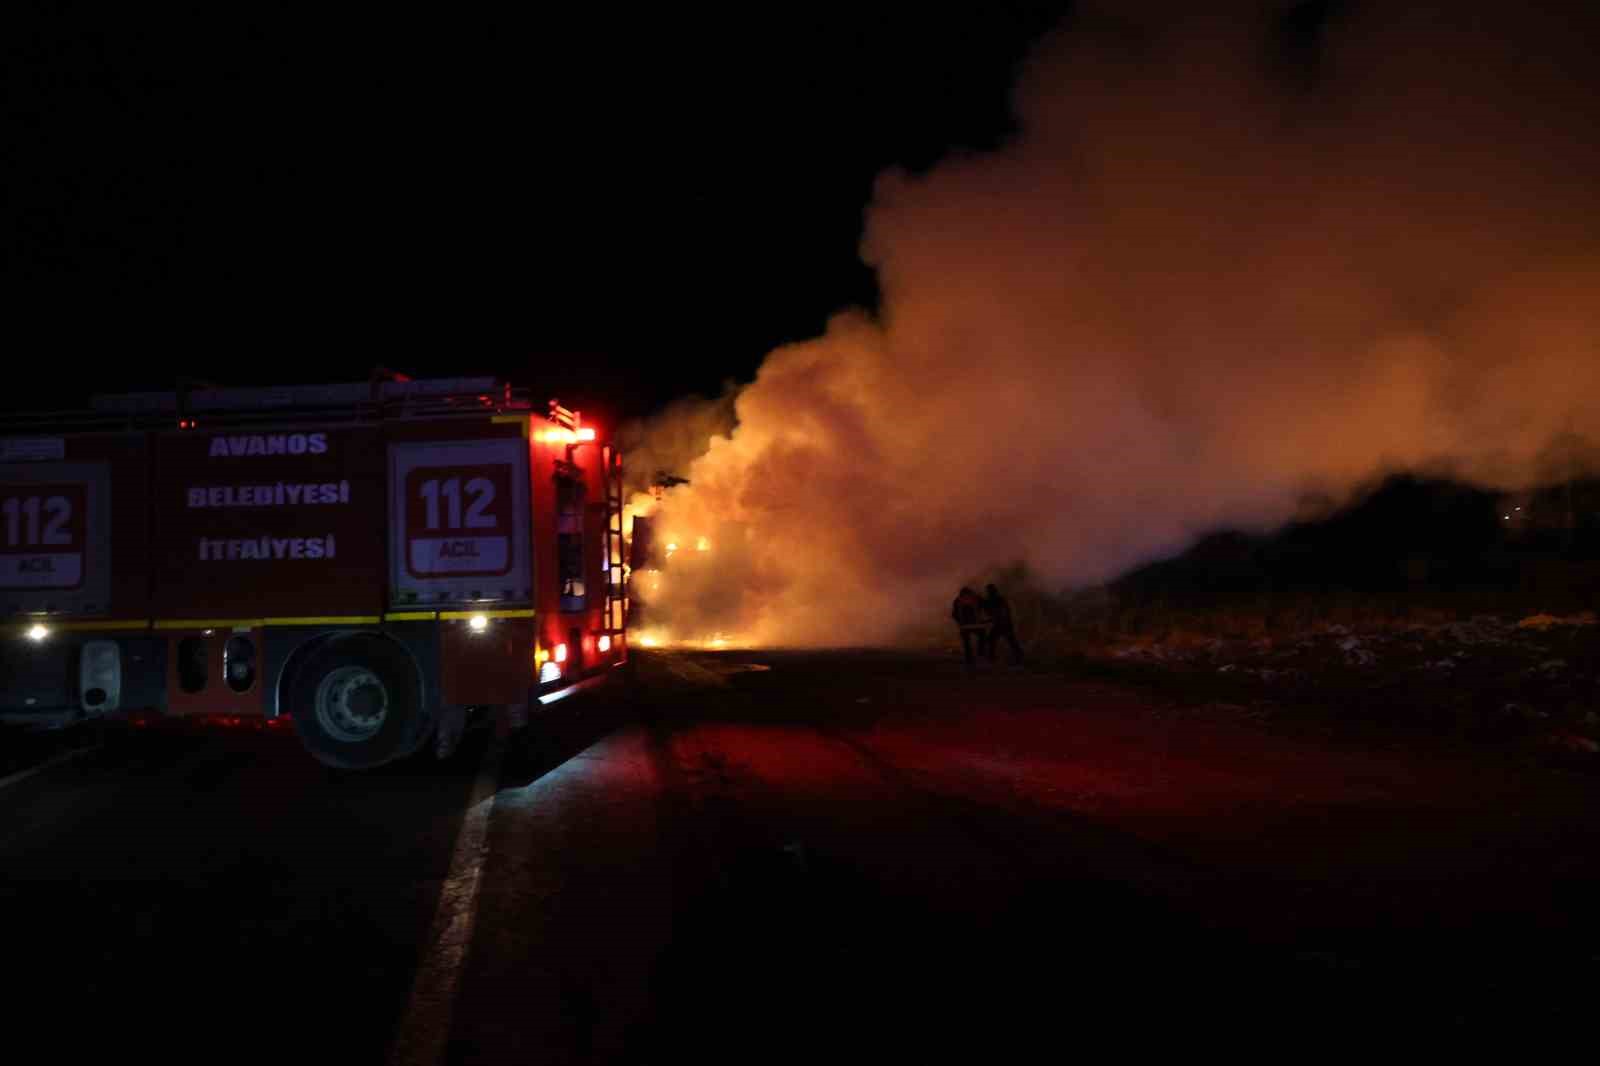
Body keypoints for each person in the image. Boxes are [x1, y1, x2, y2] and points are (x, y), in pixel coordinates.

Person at [983, 583, 1024, 665]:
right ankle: (992, 657)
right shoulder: (997, 599)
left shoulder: (998, 600)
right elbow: (997, 612)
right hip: (1002, 624)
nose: (987, 592)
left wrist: (993, 619)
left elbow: (1003, 612)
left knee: (1006, 640)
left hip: (1004, 624)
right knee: (995, 639)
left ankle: (1019, 656)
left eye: (988, 591)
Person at [951, 586, 985, 667]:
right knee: (972, 640)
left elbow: (954, 614)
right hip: (970, 624)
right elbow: (955, 614)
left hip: (970, 624)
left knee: (971, 641)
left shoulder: (960, 600)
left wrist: (959, 621)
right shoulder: (974, 599)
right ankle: (974, 656)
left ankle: (974, 656)